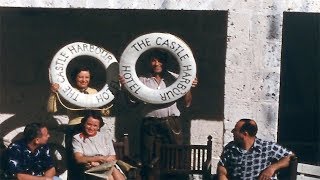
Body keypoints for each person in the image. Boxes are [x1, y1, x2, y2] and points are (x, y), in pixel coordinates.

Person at [119, 49, 198, 178]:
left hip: (171, 122)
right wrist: (125, 88)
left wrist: (187, 86)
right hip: (150, 123)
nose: (156, 64)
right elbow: (132, 104)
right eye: (153, 60)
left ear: (165, 62)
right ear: (150, 62)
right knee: (148, 159)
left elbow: (187, 103)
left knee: (174, 157)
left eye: (160, 60)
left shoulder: (176, 77)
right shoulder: (142, 80)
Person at [217, 119, 294, 180]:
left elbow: (291, 157)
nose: (232, 132)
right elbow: (222, 167)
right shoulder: (230, 148)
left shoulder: (267, 147)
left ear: (245, 134)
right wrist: (222, 175)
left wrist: (272, 168)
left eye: (235, 130)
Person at [72, 110, 125, 180]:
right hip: (90, 170)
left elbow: (113, 157)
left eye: (95, 125)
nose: (91, 128)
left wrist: (97, 162)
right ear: (84, 124)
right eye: (89, 124)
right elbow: (79, 159)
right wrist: (100, 158)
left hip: (107, 166)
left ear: (99, 127)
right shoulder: (78, 138)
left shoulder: (105, 137)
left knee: (111, 174)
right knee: (110, 176)